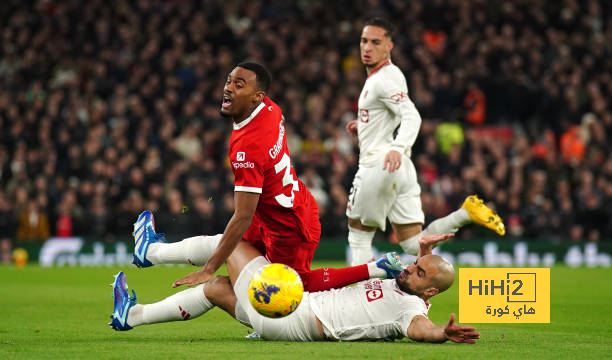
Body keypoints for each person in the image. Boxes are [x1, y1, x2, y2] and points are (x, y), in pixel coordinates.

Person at [133, 61, 403, 293]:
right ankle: (151, 254)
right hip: (286, 205)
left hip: (287, 226)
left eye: (239, 85)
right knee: (231, 244)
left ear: (256, 96)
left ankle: (374, 268)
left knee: (296, 286)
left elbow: (242, 216)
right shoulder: (270, 109)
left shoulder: (246, 148)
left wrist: (209, 268)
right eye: (229, 81)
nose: (228, 88)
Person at [110, 233, 479, 344]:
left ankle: (151, 251)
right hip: (290, 313)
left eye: (417, 273)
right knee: (219, 288)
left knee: (234, 244)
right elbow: (418, 266)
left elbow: (420, 330)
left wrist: (442, 335)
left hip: (292, 319)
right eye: (413, 265)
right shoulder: (404, 282)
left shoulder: (410, 311)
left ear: (429, 293)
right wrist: (424, 255)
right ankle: (133, 316)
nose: (408, 270)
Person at [345, 17, 505, 265]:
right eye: (364, 41)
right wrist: (364, 128)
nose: (367, 47)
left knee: (358, 236)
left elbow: (411, 115)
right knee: (412, 244)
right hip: (401, 168)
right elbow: (391, 116)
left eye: (376, 42)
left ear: (389, 46)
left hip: (379, 165)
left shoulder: (383, 79)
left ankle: (362, 297)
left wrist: (398, 147)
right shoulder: (385, 76)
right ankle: (465, 213)